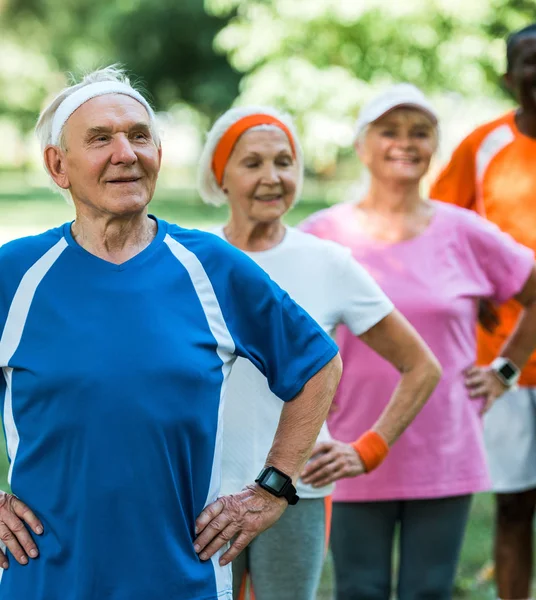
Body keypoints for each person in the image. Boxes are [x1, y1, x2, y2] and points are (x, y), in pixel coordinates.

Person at [0, 66, 344, 600]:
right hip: (44, 580)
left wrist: (273, 488)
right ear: (57, 165)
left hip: (183, 579)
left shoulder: (211, 266)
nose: (126, 153)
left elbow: (319, 365)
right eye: (100, 139)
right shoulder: (16, 273)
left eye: (140, 136)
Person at [299, 83, 536, 600]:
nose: (405, 143)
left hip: (442, 443)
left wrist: (506, 370)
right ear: (362, 144)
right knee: (359, 589)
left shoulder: (465, 231)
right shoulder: (321, 234)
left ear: (434, 146)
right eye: (389, 131)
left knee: (428, 591)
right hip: (349, 442)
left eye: (420, 133)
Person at [197, 105, 442, 600]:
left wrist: (367, 448)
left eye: (284, 162)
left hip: (294, 490)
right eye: (252, 163)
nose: (272, 178)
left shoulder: (328, 263)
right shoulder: (190, 258)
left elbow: (421, 367)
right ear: (220, 176)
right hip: (200, 488)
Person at [430, 22, 536, 600]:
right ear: (510, 77)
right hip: (498, 362)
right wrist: (467, 290)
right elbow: (437, 230)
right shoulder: (483, 146)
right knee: (511, 507)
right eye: (533, 62)